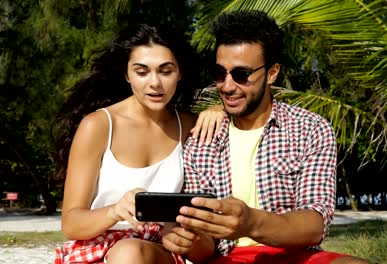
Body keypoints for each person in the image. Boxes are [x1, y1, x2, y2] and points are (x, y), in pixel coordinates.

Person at [163, 10, 370, 264]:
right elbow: (206, 247)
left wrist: (250, 222)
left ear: (272, 73)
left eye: (241, 75)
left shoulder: (310, 128)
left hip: (297, 256)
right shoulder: (201, 140)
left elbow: (315, 225)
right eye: (219, 73)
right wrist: (191, 242)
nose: (227, 86)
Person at [53, 23, 222, 264]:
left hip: (161, 248)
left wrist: (219, 111)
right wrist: (114, 210)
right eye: (142, 72)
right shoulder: (98, 126)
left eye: (166, 71)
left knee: (131, 252)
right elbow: (71, 224)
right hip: (99, 250)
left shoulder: (191, 126)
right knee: (128, 252)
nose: (155, 83)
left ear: (180, 72)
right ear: (126, 74)